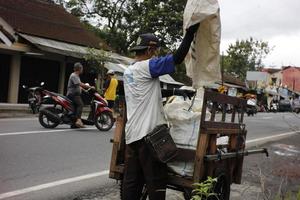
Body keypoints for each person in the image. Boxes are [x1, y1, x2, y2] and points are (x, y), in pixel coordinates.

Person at [122, 24, 199, 200]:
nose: (156, 54)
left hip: (132, 136)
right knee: (156, 182)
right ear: (149, 49)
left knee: (132, 182)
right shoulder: (146, 67)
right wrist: (189, 34)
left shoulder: (129, 72)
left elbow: (149, 92)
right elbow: (177, 58)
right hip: (149, 136)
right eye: (155, 50)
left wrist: (176, 92)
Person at [66, 62, 94, 128]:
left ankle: (74, 124)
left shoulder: (76, 76)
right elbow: (80, 84)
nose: (82, 70)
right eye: (82, 68)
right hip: (73, 95)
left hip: (74, 94)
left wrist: (85, 91)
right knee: (81, 105)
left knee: (75, 110)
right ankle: (78, 120)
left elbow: (78, 86)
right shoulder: (74, 75)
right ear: (79, 69)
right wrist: (90, 87)